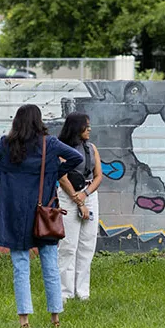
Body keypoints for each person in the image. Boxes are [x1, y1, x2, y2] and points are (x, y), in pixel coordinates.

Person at [0, 104, 83, 328]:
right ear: (38, 121)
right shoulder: (49, 144)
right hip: (43, 213)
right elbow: (75, 158)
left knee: (20, 266)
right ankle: (55, 318)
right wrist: (52, 176)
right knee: (50, 265)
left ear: (17, 122)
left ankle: (24, 320)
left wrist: (0, 179)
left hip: (14, 212)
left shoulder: (7, 143)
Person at [57, 112, 103, 302]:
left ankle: (82, 292)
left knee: (87, 244)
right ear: (77, 127)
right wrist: (78, 201)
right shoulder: (62, 149)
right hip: (69, 197)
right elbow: (62, 177)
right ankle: (64, 293)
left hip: (88, 194)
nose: (89, 129)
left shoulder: (91, 148)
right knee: (68, 245)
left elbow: (98, 175)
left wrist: (86, 195)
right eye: (86, 126)